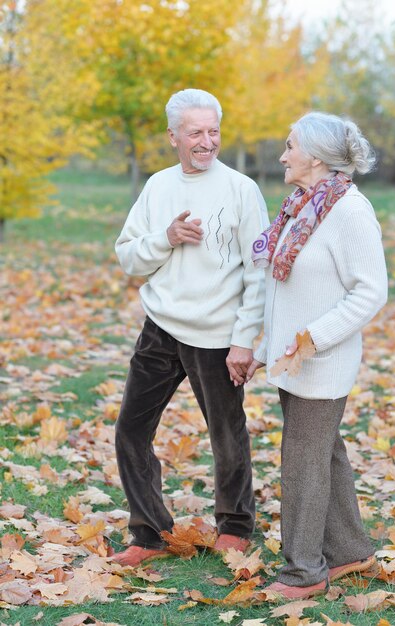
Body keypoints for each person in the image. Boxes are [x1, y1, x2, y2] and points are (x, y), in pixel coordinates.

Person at [112, 88, 269, 566]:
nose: (207, 141)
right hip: (160, 325)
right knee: (130, 431)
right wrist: (166, 237)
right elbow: (127, 255)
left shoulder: (242, 189)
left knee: (226, 434)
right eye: (196, 132)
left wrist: (245, 339)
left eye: (213, 131)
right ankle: (149, 532)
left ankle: (236, 526)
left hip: (218, 334)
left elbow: (258, 270)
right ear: (174, 136)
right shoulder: (158, 187)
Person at [247, 111, 387, 599]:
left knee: (302, 460)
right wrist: (267, 348)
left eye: (289, 146)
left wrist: (313, 339)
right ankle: (352, 553)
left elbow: (371, 291)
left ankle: (303, 572)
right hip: (294, 359)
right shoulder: (304, 205)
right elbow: (285, 290)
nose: (283, 155)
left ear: (316, 156)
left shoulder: (348, 210)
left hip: (320, 362)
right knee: (323, 454)